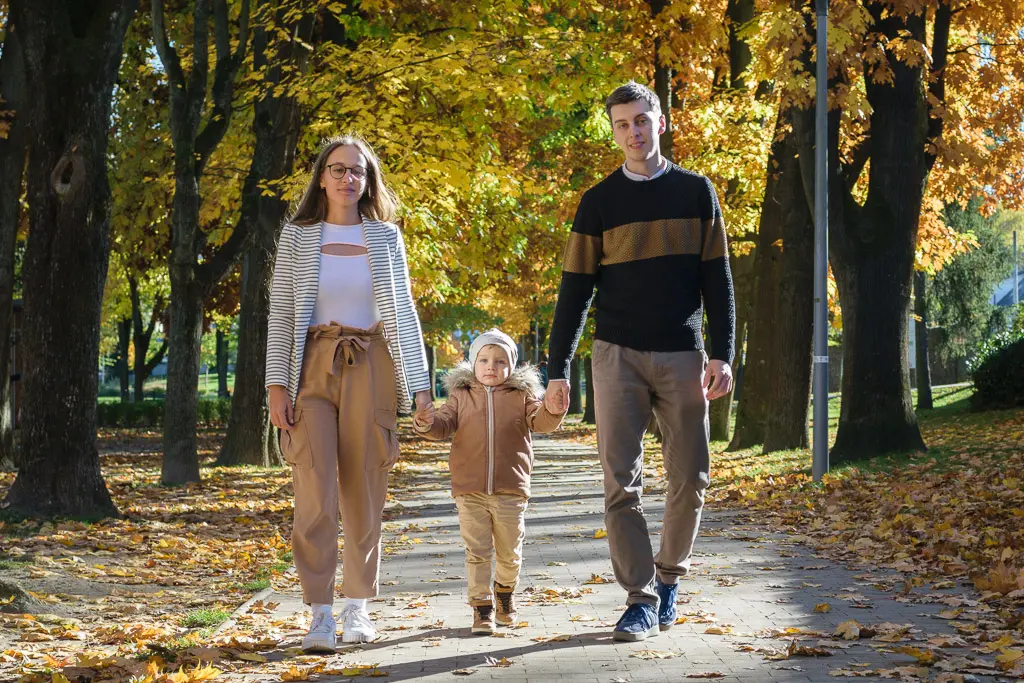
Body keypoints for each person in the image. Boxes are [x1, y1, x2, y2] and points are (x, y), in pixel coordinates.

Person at [544, 81, 736, 642]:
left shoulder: (697, 193)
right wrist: (558, 369)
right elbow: (574, 292)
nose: (634, 132)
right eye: (623, 124)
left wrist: (722, 354)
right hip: (616, 355)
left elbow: (718, 283)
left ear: (660, 121)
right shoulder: (598, 202)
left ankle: (669, 578)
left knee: (692, 477)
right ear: (613, 131)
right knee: (620, 483)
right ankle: (639, 599)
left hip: (681, 350)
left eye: (642, 120)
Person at [265, 135, 432, 654]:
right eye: (337, 169)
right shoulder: (296, 237)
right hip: (311, 369)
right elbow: (283, 314)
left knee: (364, 488)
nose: (346, 178)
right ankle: (318, 614)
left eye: (356, 171)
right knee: (315, 491)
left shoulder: (386, 238)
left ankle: (358, 606)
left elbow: (402, 311)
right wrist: (275, 384)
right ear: (321, 177)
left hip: (371, 364)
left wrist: (421, 387)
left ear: (367, 180)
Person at [413, 329, 565, 635]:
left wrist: (553, 409)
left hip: (511, 488)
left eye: (499, 361)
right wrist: (425, 422)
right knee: (477, 551)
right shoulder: (461, 395)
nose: (490, 366)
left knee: (510, 552)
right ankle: (481, 609)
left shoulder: (522, 395)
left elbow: (540, 421)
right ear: (472, 363)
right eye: (483, 360)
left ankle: (504, 594)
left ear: (512, 365)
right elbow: (442, 425)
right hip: (469, 489)